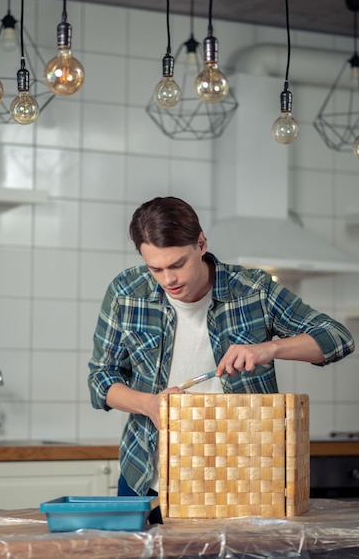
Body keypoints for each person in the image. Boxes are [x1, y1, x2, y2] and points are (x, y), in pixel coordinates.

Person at [88, 196, 355, 520]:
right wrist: (148, 405)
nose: (168, 279)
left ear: (200, 244)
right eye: (155, 268)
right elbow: (101, 379)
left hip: (246, 478)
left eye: (176, 265)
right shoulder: (126, 293)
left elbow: (338, 338)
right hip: (148, 478)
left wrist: (268, 348)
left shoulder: (254, 290)